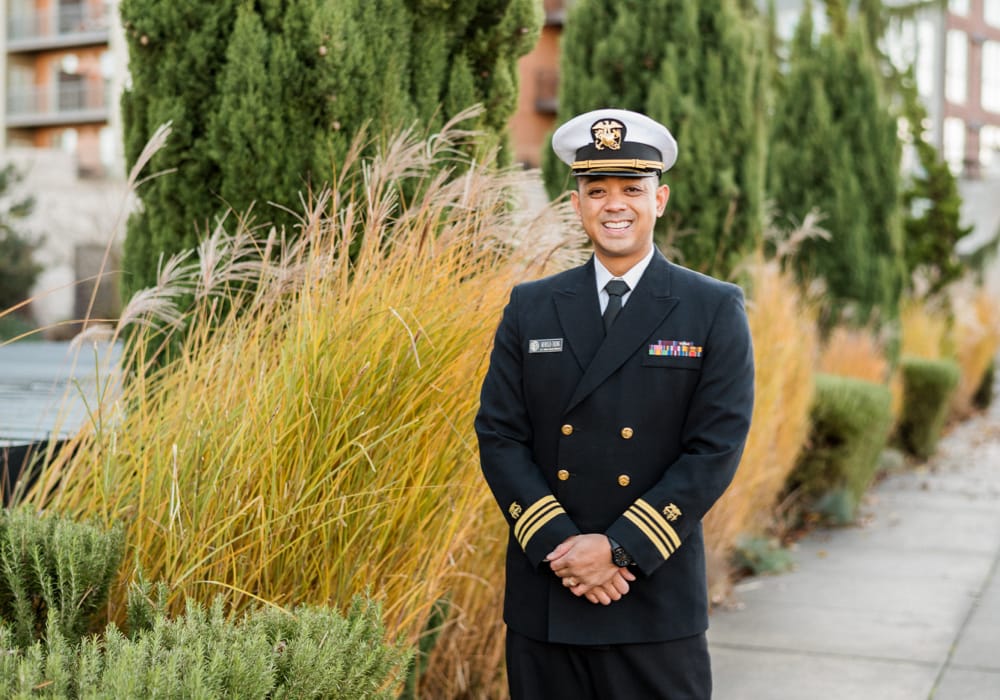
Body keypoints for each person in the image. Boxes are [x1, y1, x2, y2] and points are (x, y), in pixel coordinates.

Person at [474, 108, 755, 699]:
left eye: (633, 188)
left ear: (661, 199)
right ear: (576, 205)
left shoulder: (711, 307)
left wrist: (620, 548)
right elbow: (500, 435)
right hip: (549, 590)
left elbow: (715, 449)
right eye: (596, 191)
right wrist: (563, 546)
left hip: (652, 594)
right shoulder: (531, 306)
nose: (615, 204)